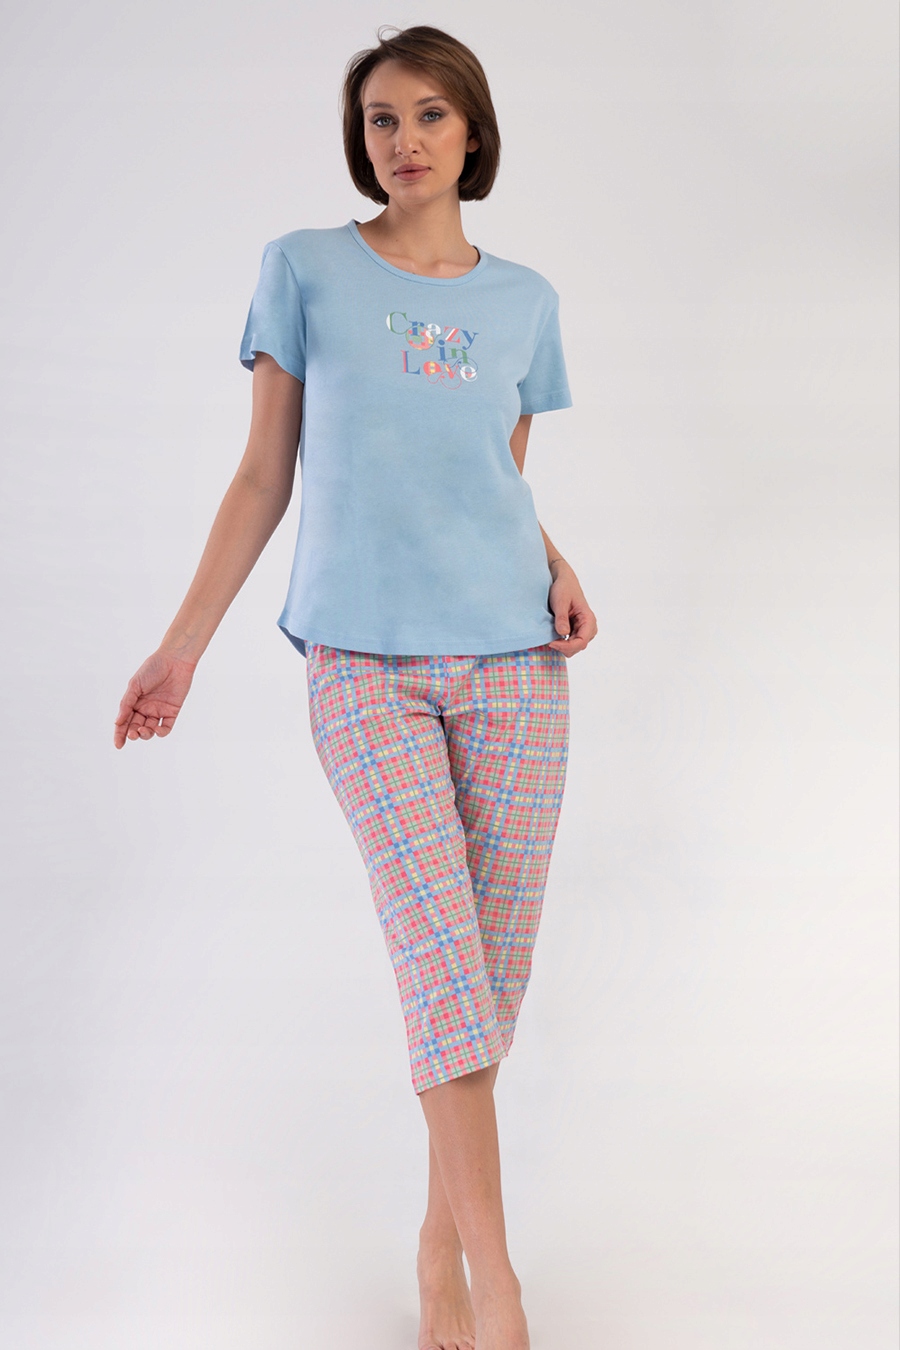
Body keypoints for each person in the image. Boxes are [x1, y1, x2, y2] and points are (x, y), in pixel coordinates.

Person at [114, 24, 597, 1350]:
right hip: (363, 666)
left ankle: (438, 1246)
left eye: (432, 114)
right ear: (360, 137)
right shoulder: (305, 270)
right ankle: (498, 1285)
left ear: (473, 133)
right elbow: (262, 473)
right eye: (383, 118)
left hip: (516, 664)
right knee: (440, 954)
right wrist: (181, 647)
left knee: (488, 975)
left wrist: (555, 559)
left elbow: (487, 473)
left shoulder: (526, 301)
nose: (405, 140)